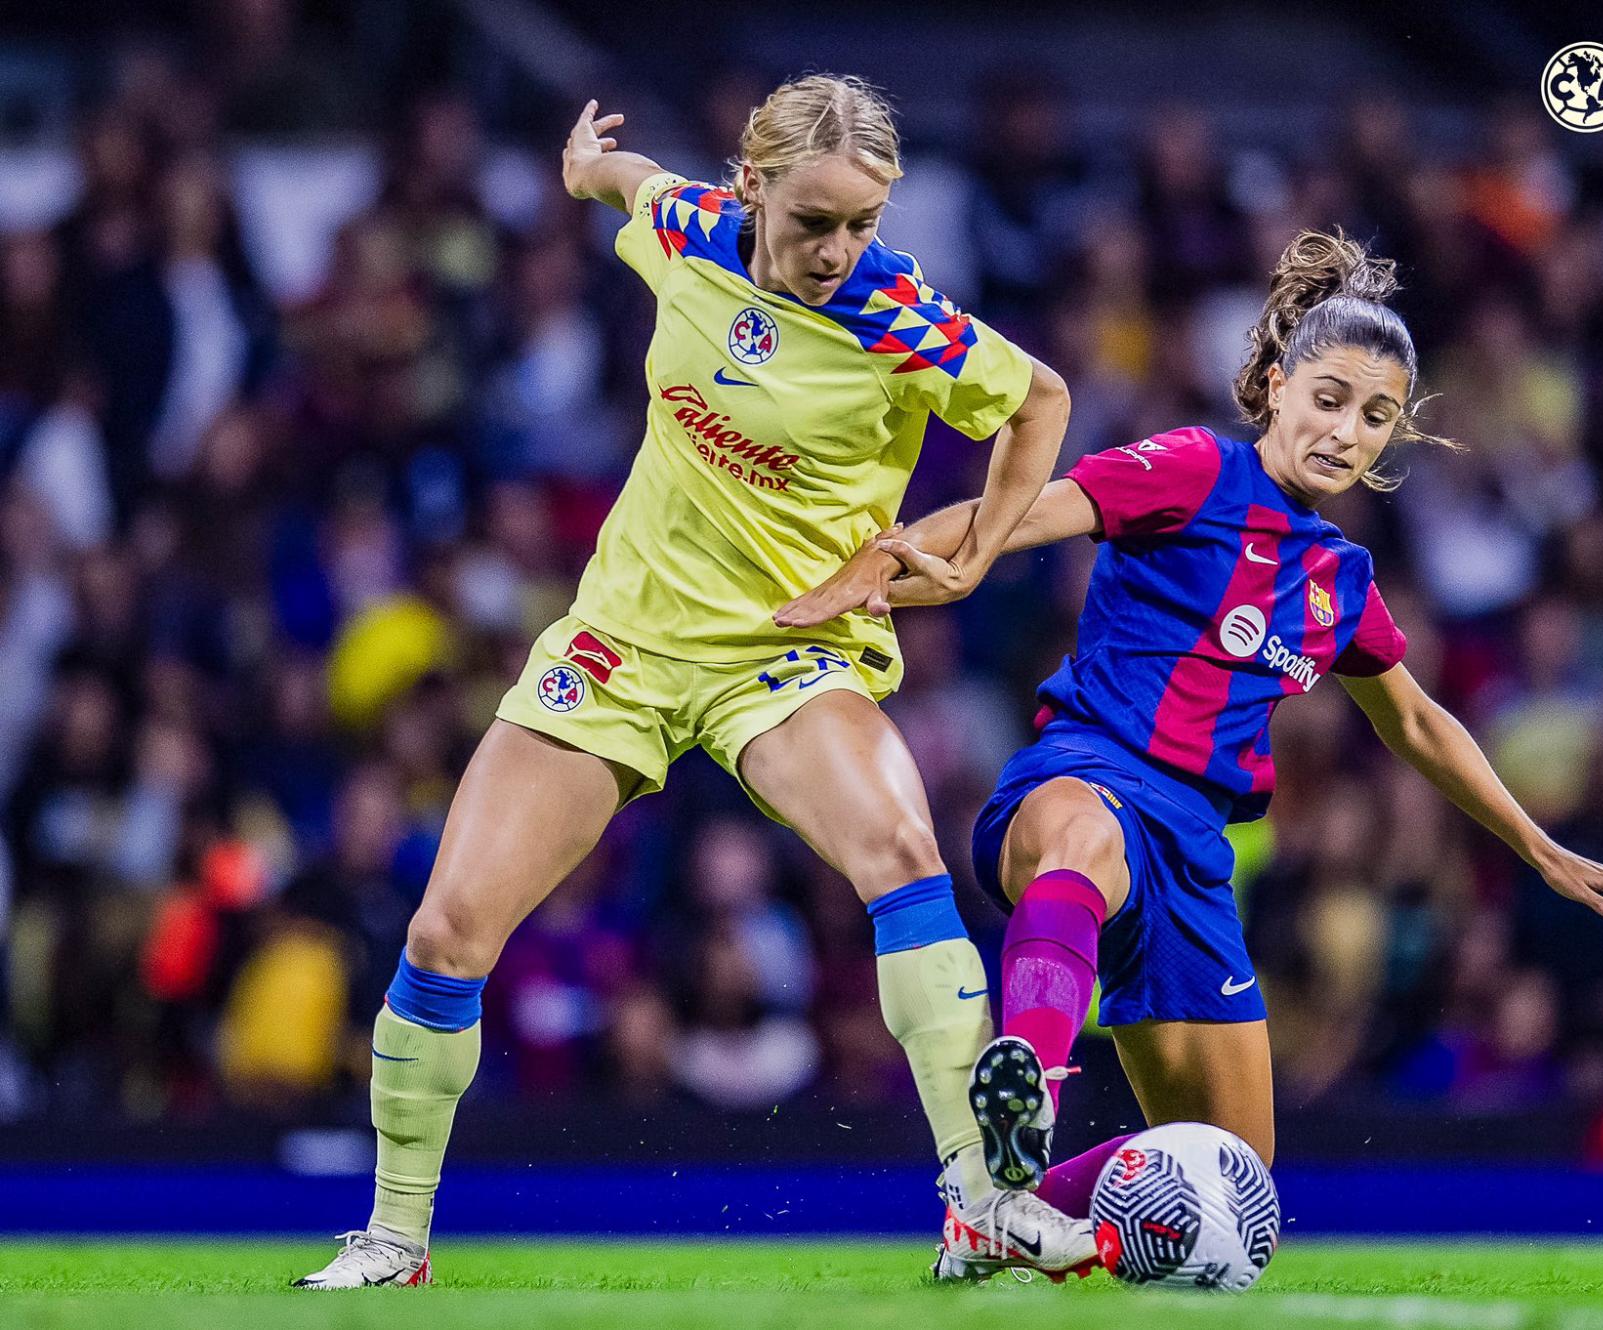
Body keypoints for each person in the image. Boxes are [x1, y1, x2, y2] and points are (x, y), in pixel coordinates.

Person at [295, 75, 1095, 1288]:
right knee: (445, 929)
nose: (838, 250)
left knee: (900, 850)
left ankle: (978, 1201)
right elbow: (623, 181)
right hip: (620, 644)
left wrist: (974, 552)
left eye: (861, 224)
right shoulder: (689, 229)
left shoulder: (898, 315)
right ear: (750, 188)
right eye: (814, 219)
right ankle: (395, 1237)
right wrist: (581, 168)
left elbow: (1038, 401)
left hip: (785, 650)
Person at [782, 228, 1603, 1242]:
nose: (1344, 431)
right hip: (1084, 773)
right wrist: (881, 565)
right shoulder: (1193, 467)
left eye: (1374, 417)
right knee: (1084, 841)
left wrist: (1533, 840)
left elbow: (1418, 724)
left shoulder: (1341, 581)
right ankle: (1023, 1073)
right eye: (1328, 399)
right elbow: (1017, 513)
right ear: (1273, 383)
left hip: (1195, 855)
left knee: (1234, 1180)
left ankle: (996, 1224)